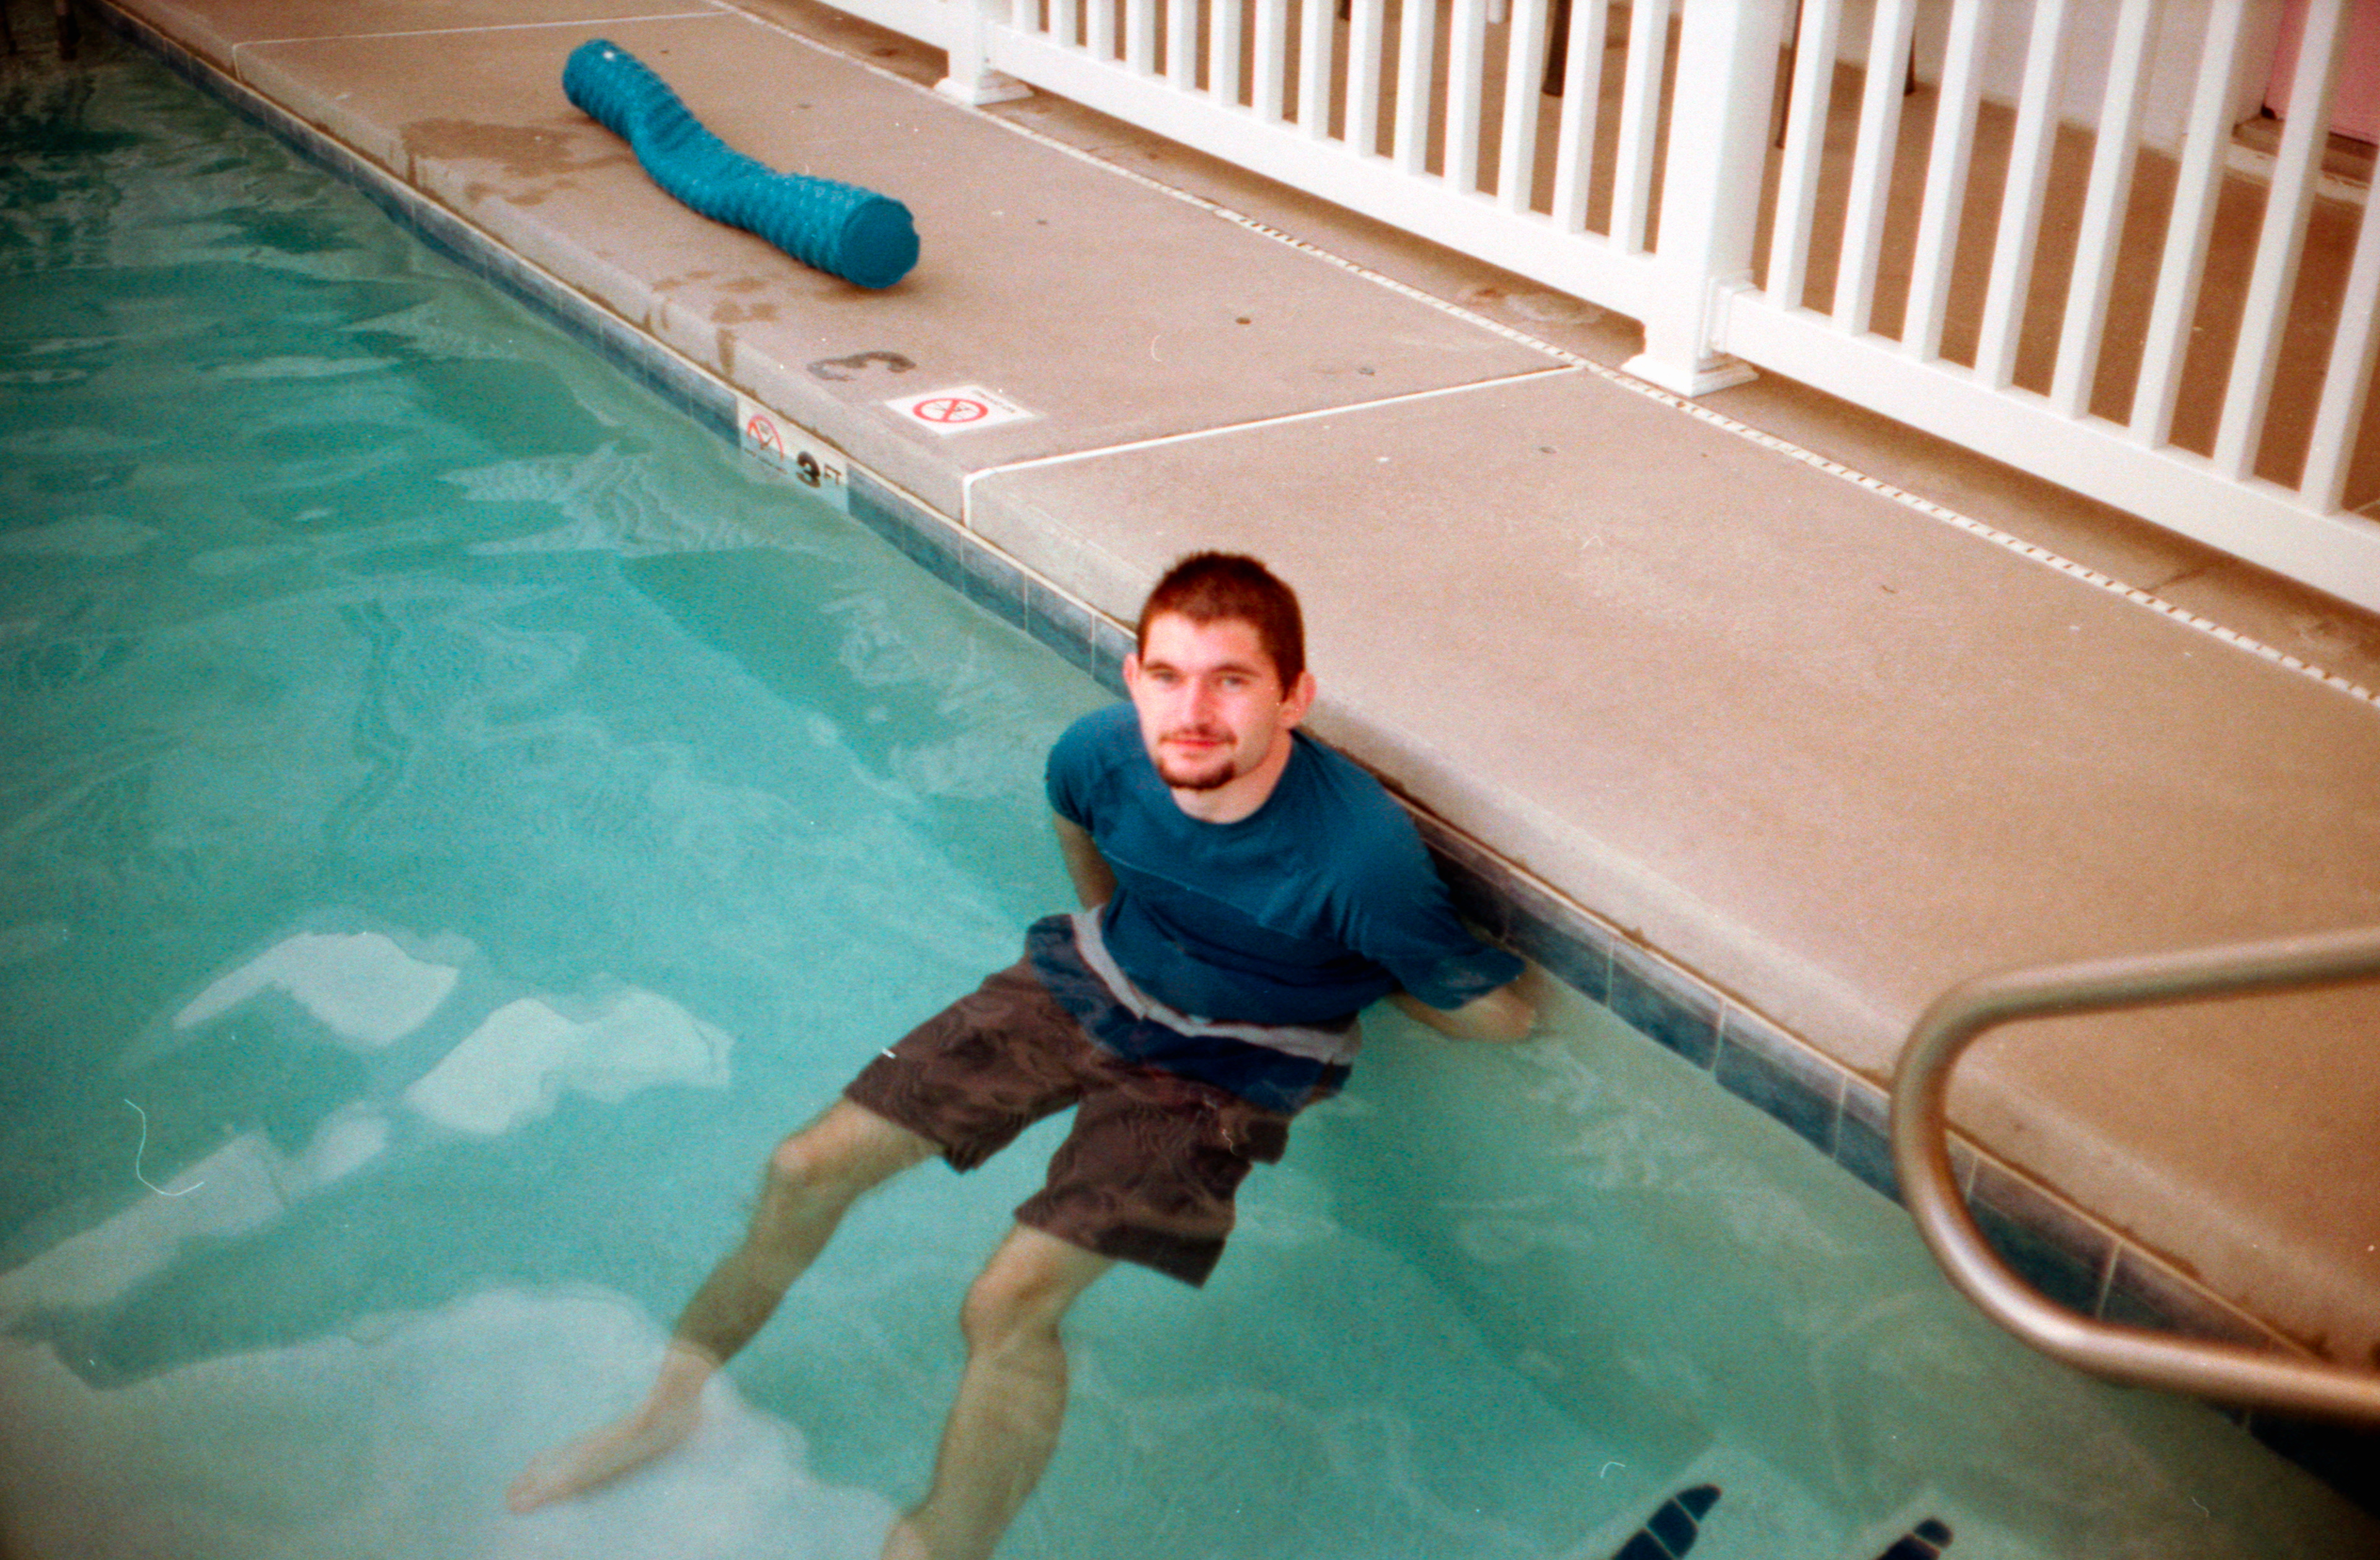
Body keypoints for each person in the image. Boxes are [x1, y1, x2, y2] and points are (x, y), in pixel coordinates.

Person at [506, 552, 1538, 1559]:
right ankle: (667, 1408)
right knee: (804, 1166)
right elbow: (1075, 825)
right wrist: (1121, 941)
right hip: (1092, 978)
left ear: (1295, 696)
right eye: (1167, 676)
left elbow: (1500, 1016)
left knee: (1007, 1301)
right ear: (1133, 679)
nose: (1192, 711)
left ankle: (937, 1547)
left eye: (1232, 680)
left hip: (1229, 1063)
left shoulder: (1359, 859)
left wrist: (1340, 972)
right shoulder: (1099, 753)